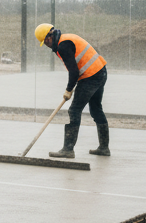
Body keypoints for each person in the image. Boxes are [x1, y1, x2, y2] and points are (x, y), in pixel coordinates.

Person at [35, 24, 110, 158]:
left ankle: (68, 149)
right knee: (96, 109)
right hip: (100, 72)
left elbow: (74, 72)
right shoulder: (66, 38)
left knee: (74, 110)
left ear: (48, 38)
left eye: (45, 42)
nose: (46, 45)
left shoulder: (63, 46)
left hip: (91, 77)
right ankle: (104, 148)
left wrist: (68, 90)